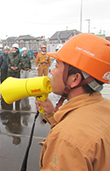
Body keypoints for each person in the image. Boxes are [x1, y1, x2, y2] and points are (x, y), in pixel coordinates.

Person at [36, 33, 110, 171]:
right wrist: (53, 115)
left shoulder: (67, 140)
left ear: (74, 79)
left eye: (57, 66)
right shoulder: (105, 106)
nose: (52, 71)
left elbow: (72, 137)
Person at [7, 43, 21, 110]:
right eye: (12, 48)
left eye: (14, 48)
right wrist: (11, 67)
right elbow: (8, 62)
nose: (12, 49)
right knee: (10, 82)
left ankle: (17, 92)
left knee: (17, 82)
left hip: (17, 71)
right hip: (10, 70)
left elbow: (21, 62)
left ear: (16, 49)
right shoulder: (9, 55)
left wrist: (17, 67)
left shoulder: (19, 55)